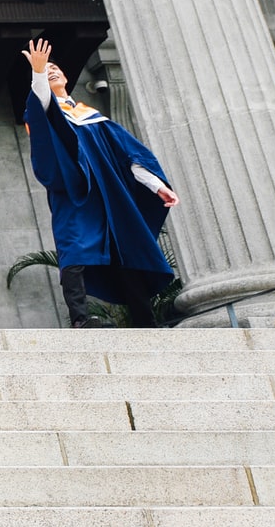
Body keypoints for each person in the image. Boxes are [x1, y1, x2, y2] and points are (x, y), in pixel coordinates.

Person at [21, 38, 179, 328]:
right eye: (48, 69)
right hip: (74, 191)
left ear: (68, 77)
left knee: (125, 248)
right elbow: (41, 103)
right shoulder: (44, 111)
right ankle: (80, 319)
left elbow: (126, 155)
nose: (52, 70)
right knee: (74, 248)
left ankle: (144, 318)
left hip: (109, 193)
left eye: (56, 68)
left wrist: (157, 185)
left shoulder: (92, 117)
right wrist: (38, 72)